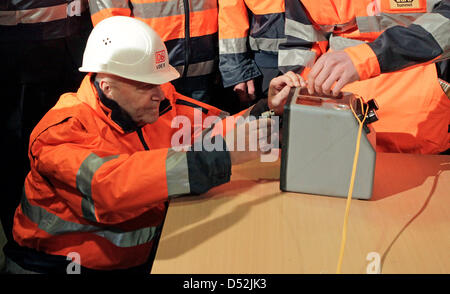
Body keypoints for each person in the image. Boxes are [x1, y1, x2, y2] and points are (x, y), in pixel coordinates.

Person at [3, 16, 302, 274]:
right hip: (52, 265)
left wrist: (264, 109)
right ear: (107, 86)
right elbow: (110, 188)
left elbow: (209, 127)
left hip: (135, 261)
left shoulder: (156, 102)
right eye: (147, 85)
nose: (161, 93)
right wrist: (220, 156)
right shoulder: (62, 131)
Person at [278, 0, 450, 154]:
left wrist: (365, 59)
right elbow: (302, 40)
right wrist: (301, 94)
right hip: (339, 119)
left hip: (418, 116)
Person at [0, 0, 92, 247]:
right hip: (18, 54)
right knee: (19, 157)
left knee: (79, 147)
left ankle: (73, 241)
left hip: (78, 42)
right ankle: (25, 245)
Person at [89, 0, 219, 104]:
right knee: (152, 133)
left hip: (204, 70)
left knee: (199, 132)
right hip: (147, 75)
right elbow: (111, 27)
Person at [218, 0, 286, 109]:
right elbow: (231, 15)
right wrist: (237, 69)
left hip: (314, 60)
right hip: (265, 65)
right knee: (269, 121)